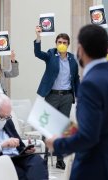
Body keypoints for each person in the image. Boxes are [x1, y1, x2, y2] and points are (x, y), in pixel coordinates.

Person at [45, 24, 108, 180]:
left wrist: (57, 144)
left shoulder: (90, 83)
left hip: (98, 169)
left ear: (80, 50)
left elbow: (89, 137)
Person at [0, 94, 48, 180]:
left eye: (8, 117)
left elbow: (20, 146)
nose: (5, 120)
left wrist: (26, 150)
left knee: (36, 160)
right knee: (21, 174)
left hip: (17, 158)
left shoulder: (7, 121)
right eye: (2, 117)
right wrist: (1, 146)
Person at [34, 26, 80, 169]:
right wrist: (38, 37)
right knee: (46, 126)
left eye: (64, 42)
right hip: (52, 95)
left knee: (63, 128)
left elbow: (76, 78)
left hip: (66, 97)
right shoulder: (51, 54)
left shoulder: (72, 59)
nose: (61, 44)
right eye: (59, 42)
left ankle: (60, 159)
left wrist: (78, 95)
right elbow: (37, 53)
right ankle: (44, 157)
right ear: (56, 43)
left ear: (68, 44)